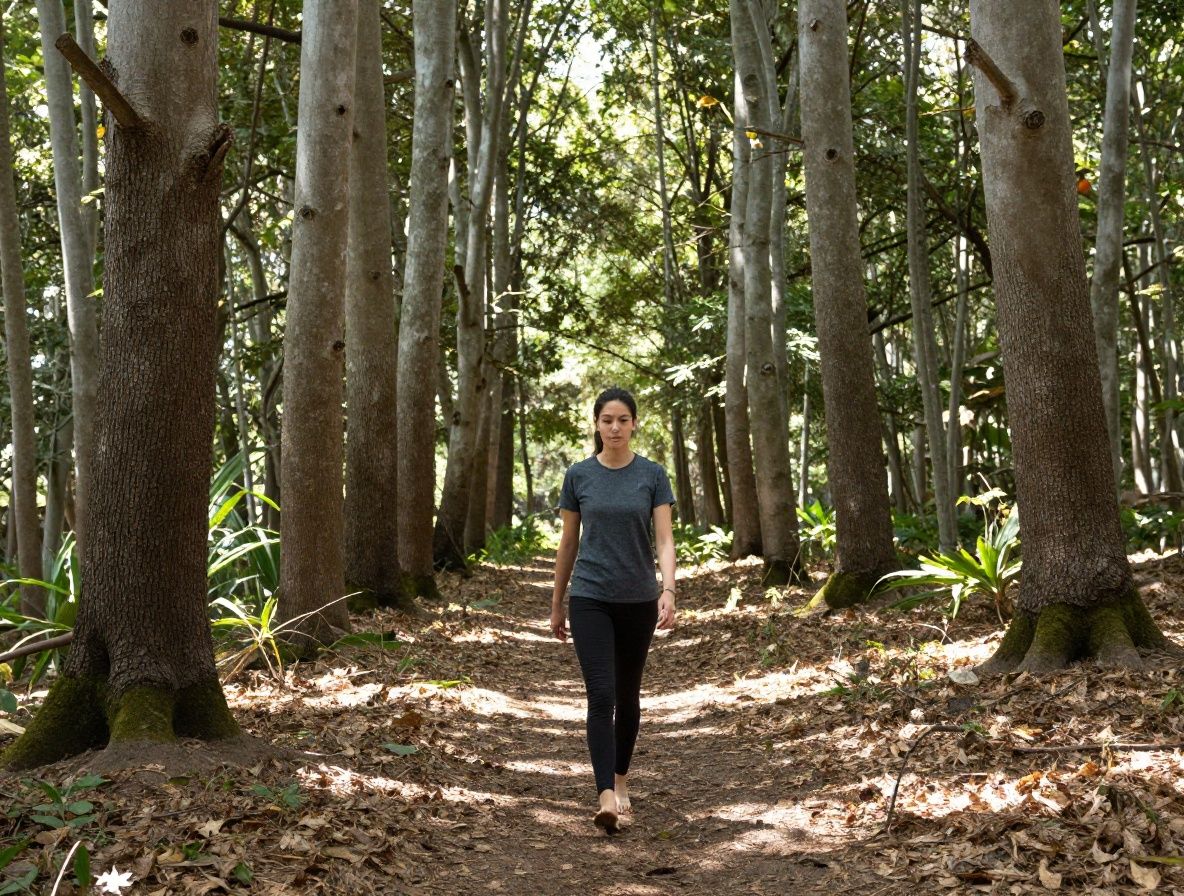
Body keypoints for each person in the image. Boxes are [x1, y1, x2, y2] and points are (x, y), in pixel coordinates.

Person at [550, 387, 677, 834]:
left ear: (634, 423)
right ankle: (605, 794)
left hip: (639, 599)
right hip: (590, 597)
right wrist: (557, 601)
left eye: (623, 419)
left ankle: (622, 780)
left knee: (628, 696)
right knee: (601, 696)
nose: (615, 427)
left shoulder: (652, 475)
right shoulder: (579, 475)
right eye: (607, 420)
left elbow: (663, 538)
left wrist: (669, 590)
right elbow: (568, 542)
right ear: (597, 425)